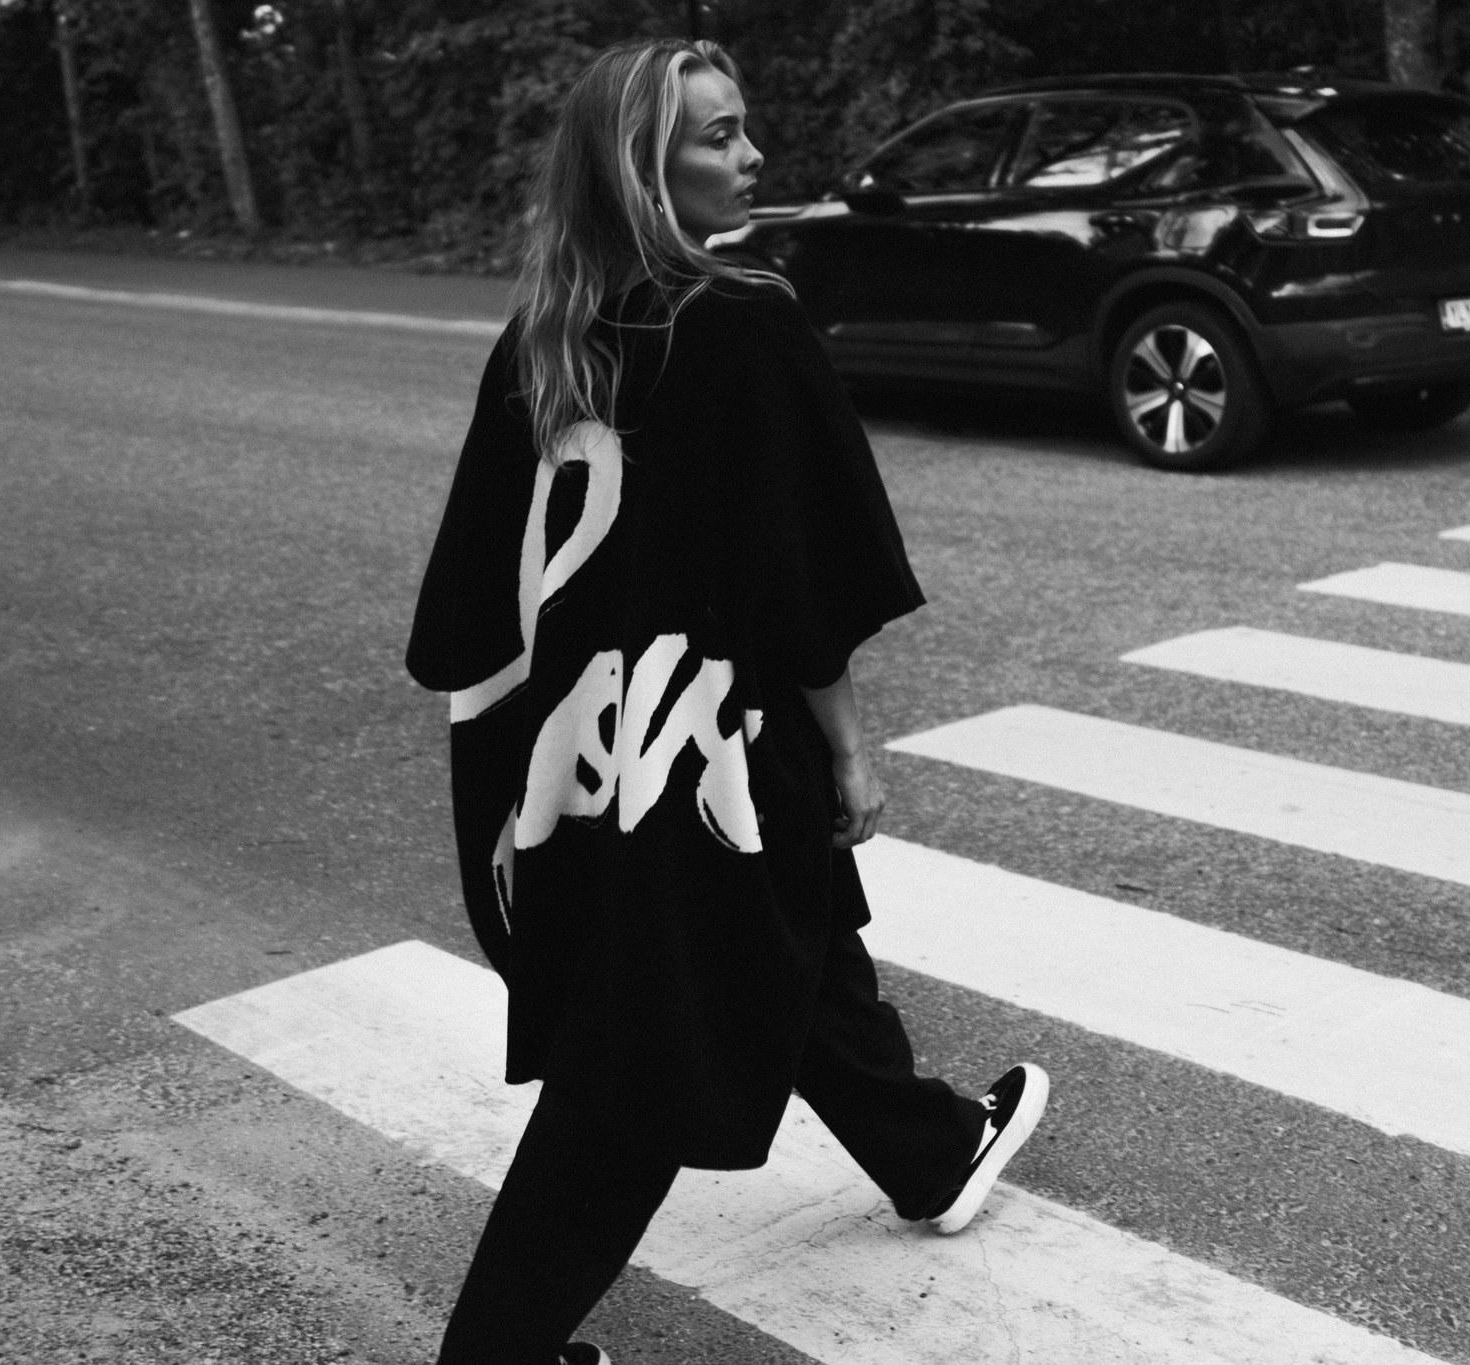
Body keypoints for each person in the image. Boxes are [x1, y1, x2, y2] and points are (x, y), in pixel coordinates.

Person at [405, 36, 1048, 1365]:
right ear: (644, 166)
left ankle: (929, 1152)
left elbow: (470, 608)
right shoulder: (743, 321)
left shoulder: (543, 335)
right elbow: (803, 584)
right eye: (719, 136)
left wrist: (516, 788)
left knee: (780, 938)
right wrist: (850, 748)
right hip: (708, 746)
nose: (752, 157)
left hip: (578, 763)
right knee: (642, 1060)